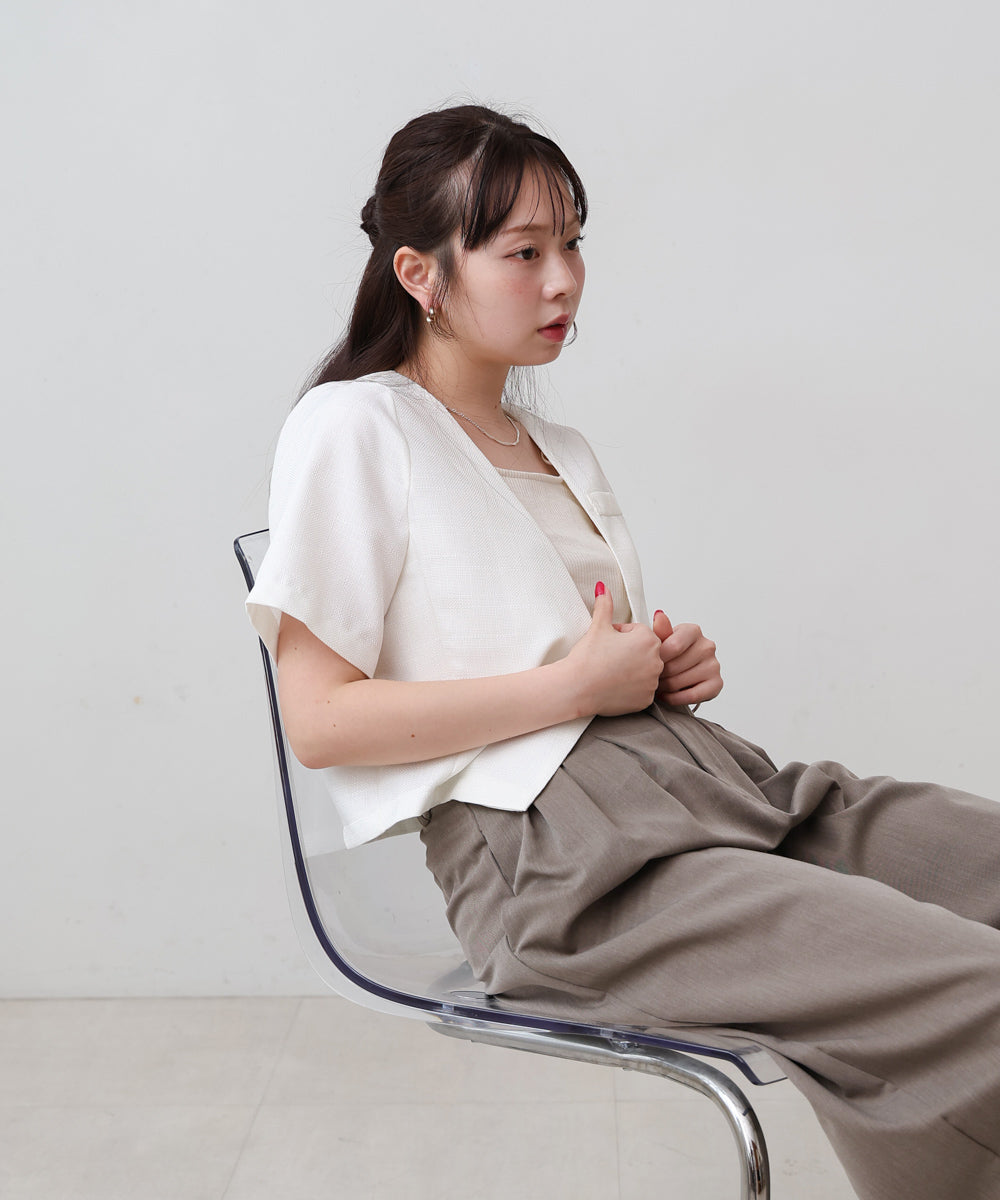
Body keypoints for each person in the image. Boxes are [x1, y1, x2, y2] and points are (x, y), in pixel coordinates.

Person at [246, 104, 1000, 1200]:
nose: (564, 281)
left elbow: (565, 659)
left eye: (573, 243)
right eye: (524, 253)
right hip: (559, 868)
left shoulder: (557, 447)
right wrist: (574, 687)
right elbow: (318, 722)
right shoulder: (355, 425)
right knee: (974, 986)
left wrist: (658, 668)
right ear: (420, 274)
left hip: (709, 787)